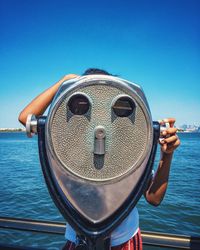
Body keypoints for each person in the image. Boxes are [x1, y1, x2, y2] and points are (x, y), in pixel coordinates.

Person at [18, 68, 180, 250]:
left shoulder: (127, 146)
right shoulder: (65, 143)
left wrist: (167, 155)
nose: (98, 115)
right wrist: (63, 83)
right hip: (78, 240)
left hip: (124, 241)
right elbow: (27, 119)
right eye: (83, 102)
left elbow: (154, 198)